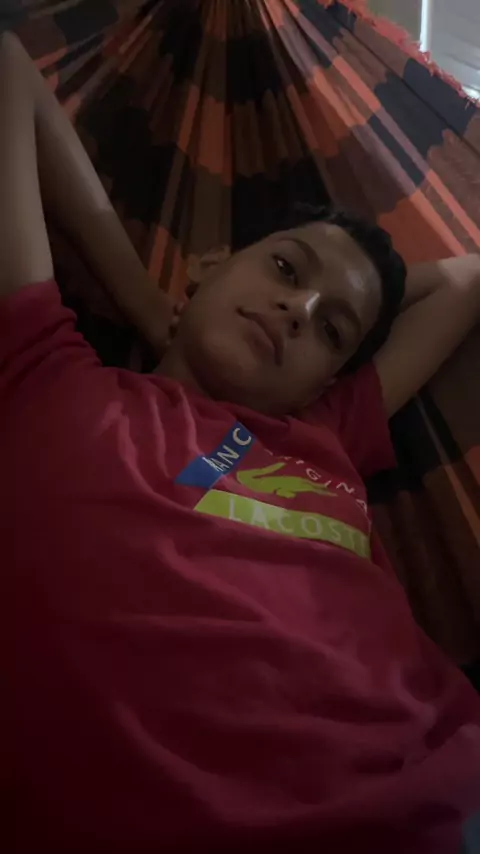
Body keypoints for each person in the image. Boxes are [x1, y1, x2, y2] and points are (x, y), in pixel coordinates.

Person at [2, 30, 480, 854]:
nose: (300, 310)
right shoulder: (46, 370)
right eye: (287, 271)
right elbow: (6, 67)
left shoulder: (318, 433)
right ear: (207, 265)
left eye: (331, 330)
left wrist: (352, 296)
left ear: (325, 384)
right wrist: (148, 301)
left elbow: (468, 280)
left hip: (436, 792)